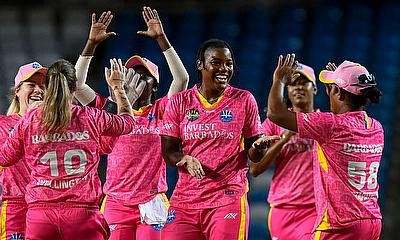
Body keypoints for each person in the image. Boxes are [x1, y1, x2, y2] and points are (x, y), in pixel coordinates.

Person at [73, 7, 189, 240]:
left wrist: (161, 39)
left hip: (152, 201)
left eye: (141, 74)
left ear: (154, 85)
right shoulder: (110, 110)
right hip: (116, 203)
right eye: (129, 73)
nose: (133, 78)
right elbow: (75, 84)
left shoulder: (162, 110)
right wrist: (90, 45)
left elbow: (182, 79)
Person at [0, 58, 136, 240]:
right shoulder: (90, 116)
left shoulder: (31, 119)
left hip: (40, 216)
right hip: (82, 214)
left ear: (49, 87)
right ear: (75, 89)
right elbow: (127, 123)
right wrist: (119, 89)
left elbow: (5, 158)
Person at [160, 38, 278, 240]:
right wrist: (186, 159)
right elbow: (169, 152)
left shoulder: (244, 100)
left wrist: (258, 147)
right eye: (216, 62)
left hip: (227, 199)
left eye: (229, 63)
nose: (224, 68)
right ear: (200, 64)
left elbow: (254, 154)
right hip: (185, 201)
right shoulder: (180, 101)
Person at [267, 54, 383, 239]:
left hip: (340, 225)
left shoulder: (329, 126)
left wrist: (279, 79)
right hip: (372, 221)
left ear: (340, 94)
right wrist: (338, 81)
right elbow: (343, 115)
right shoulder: (376, 128)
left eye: (333, 88)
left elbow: (275, 113)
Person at [249, 63, 318, 240]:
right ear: (287, 89)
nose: (299, 87)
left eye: (305, 82)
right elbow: (255, 169)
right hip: (281, 206)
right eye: (293, 83)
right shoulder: (274, 124)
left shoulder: (323, 123)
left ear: (315, 88)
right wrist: (284, 139)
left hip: (314, 208)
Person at [0, 62, 46, 239]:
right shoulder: (2, 125)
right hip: (16, 209)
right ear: (17, 91)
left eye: (42, 86)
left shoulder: (57, 127)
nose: (38, 90)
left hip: (49, 207)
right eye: (31, 85)